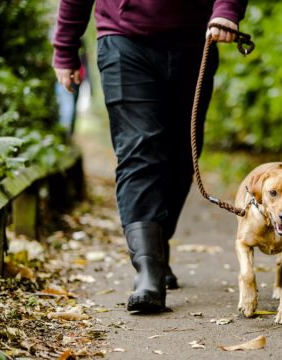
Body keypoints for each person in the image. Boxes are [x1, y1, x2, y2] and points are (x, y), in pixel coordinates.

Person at [52, 0, 248, 313]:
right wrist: (65, 47)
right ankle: (148, 272)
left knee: (182, 152)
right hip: (122, 40)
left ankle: (157, 243)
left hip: (193, 42)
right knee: (138, 148)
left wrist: (226, 10)